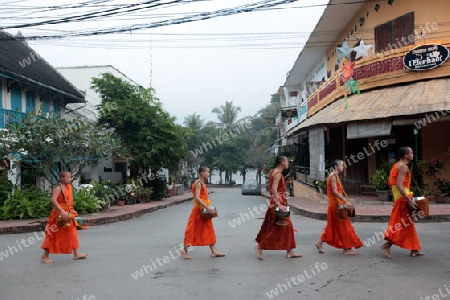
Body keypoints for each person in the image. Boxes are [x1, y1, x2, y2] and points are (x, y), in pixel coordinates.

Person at [255, 156, 302, 260]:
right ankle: (260, 247)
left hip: (276, 201)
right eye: (287, 161)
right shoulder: (278, 174)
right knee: (279, 226)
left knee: (274, 225)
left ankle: (290, 251)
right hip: (277, 202)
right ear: (281, 162)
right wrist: (278, 204)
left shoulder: (274, 171)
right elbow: (273, 188)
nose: (288, 163)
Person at [381, 146, 424, 259]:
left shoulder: (396, 165)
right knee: (400, 224)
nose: (413, 154)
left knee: (408, 224)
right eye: (411, 153)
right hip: (403, 198)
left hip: (400, 197)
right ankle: (387, 245)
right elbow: (399, 185)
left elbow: (391, 183)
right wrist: (408, 200)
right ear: (406, 155)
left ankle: (414, 249)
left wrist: (395, 197)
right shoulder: (403, 167)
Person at [315, 159, 363, 255]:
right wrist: (345, 201)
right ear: (336, 166)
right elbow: (335, 191)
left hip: (335, 205)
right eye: (342, 165)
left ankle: (319, 243)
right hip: (336, 206)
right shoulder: (333, 176)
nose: (343, 167)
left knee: (332, 227)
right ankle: (346, 249)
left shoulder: (335, 176)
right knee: (345, 227)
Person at [40, 171, 88, 263]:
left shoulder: (69, 187)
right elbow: (53, 200)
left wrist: (72, 210)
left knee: (72, 232)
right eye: (68, 177)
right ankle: (45, 256)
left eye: (70, 177)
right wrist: (62, 211)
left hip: (68, 214)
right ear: (62, 178)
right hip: (58, 214)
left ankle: (76, 253)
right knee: (53, 234)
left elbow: (69, 202)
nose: (70, 179)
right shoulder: (58, 187)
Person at [181, 166, 225, 259]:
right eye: (207, 172)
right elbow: (197, 197)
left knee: (209, 229)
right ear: (202, 173)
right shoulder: (198, 183)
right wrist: (207, 207)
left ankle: (213, 251)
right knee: (192, 230)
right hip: (198, 211)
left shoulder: (202, 183)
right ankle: (184, 250)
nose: (209, 174)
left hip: (203, 211)